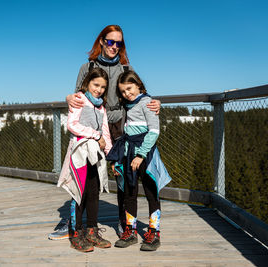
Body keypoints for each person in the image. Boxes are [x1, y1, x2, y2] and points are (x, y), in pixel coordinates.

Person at [48, 24, 161, 240]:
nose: (114, 46)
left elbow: (139, 94)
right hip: (92, 126)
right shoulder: (87, 67)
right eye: (110, 41)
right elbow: (78, 97)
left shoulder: (127, 69)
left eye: (119, 43)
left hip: (120, 128)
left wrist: (157, 102)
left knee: (123, 177)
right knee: (84, 175)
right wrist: (68, 98)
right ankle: (74, 223)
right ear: (102, 41)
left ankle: (123, 221)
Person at [107, 70, 171, 251]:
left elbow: (154, 131)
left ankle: (154, 232)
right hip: (129, 154)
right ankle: (131, 231)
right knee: (129, 193)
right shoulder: (126, 105)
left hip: (145, 154)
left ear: (139, 85)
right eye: (123, 91)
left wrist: (140, 155)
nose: (127, 93)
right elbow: (125, 134)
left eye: (129, 88)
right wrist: (119, 160)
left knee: (151, 192)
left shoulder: (147, 103)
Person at [57, 67, 113, 252]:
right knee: (78, 192)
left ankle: (91, 230)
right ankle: (76, 232)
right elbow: (72, 125)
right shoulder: (80, 99)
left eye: (103, 87)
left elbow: (105, 131)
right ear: (88, 83)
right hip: (79, 155)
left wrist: (109, 152)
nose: (99, 89)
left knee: (93, 192)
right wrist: (95, 135)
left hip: (95, 155)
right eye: (96, 85)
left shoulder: (101, 107)